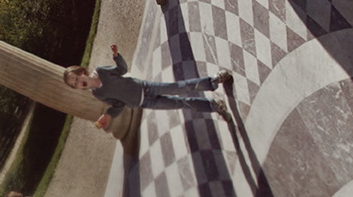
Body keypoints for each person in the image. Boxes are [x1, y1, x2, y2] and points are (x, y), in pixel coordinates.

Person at [63, 42, 232, 133]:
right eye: (74, 85)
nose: (78, 83)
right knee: (180, 103)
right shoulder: (98, 94)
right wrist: (109, 115)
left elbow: (122, 70)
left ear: (82, 72)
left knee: (179, 88)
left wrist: (117, 56)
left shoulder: (101, 71)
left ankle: (213, 81)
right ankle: (214, 106)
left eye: (77, 79)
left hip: (146, 88)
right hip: (144, 103)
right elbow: (118, 104)